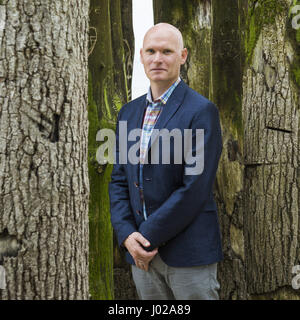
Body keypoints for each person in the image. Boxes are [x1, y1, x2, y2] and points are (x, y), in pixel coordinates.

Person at [109, 23, 223, 300]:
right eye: (151, 51)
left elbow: (194, 187)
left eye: (166, 51)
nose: (157, 58)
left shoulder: (201, 111)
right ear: (141, 56)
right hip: (139, 255)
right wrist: (127, 236)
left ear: (182, 56)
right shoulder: (128, 113)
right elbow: (119, 180)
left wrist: (145, 237)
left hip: (188, 253)